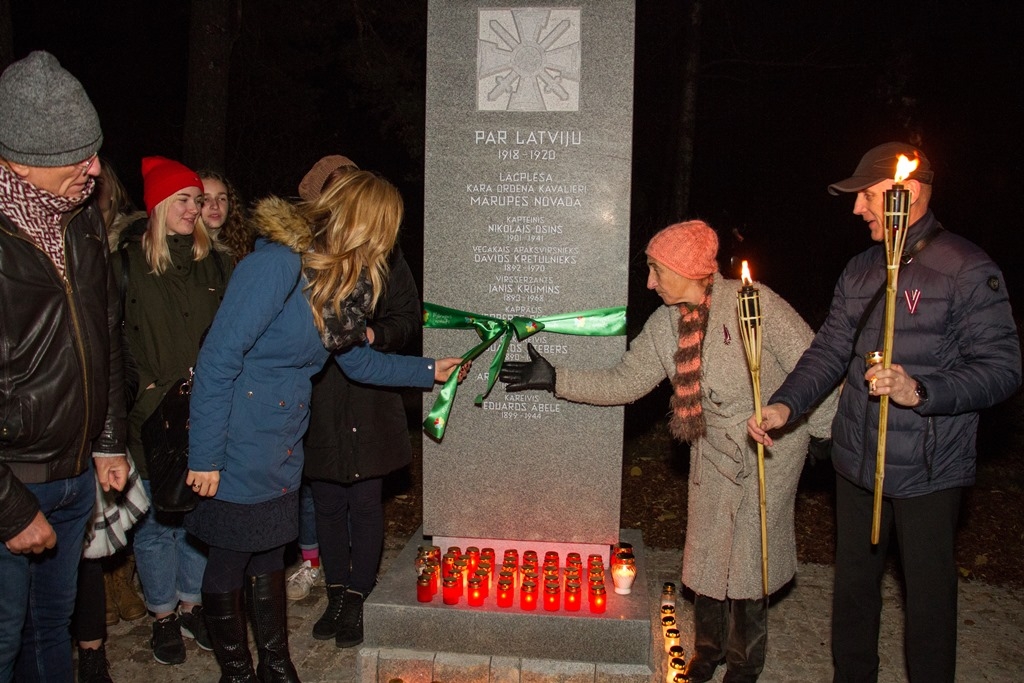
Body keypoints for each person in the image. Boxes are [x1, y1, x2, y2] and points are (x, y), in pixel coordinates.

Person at [501, 220, 836, 683]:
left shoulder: (752, 303)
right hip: (712, 447)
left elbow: (816, 361)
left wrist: (823, 431)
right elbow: (626, 381)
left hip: (768, 445)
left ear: (689, 269)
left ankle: (744, 663)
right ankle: (709, 650)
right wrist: (557, 378)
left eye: (658, 270)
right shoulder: (665, 326)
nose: (649, 282)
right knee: (707, 551)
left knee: (747, 556)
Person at [747, 142, 1022, 682]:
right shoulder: (861, 269)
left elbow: (1004, 368)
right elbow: (829, 351)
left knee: (927, 601)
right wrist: (786, 404)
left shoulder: (967, 268)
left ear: (907, 194)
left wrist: (921, 390)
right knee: (853, 592)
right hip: (857, 460)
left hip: (927, 470)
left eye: (867, 197)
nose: (857, 210)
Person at [185, 169, 464, 682]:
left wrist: (428, 370)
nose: (388, 241)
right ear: (361, 223)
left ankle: (274, 663)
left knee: (269, 549)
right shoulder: (276, 266)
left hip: (285, 438)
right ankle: (237, 673)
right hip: (239, 433)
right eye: (384, 228)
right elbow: (218, 358)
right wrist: (205, 456)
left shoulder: (335, 282)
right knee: (230, 557)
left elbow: (356, 362)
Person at [0, 51, 129, 683]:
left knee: (53, 631)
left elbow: (104, 333)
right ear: (22, 158)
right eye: (79, 157)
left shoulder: (80, 224)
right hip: (11, 481)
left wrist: (108, 439)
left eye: (95, 151)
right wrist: (9, 508)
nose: (96, 169)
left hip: (75, 475)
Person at [299, 155, 422, 649]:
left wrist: (376, 331)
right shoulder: (304, 253)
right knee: (327, 498)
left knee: (366, 500)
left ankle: (359, 597)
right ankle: (335, 595)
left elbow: (409, 316)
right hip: (319, 393)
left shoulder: (387, 254)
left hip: (371, 390)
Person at [123, 156, 233, 665]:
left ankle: (190, 606)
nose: (198, 208)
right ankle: (162, 615)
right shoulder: (129, 264)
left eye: (201, 199)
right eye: (186, 200)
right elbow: (111, 340)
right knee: (153, 523)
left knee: (196, 515)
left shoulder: (215, 263)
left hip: (206, 411)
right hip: (150, 415)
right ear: (160, 205)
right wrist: (143, 391)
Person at [198, 169, 254, 262]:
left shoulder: (239, 248)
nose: (215, 206)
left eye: (221, 199)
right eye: (206, 199)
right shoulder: (182, 251)